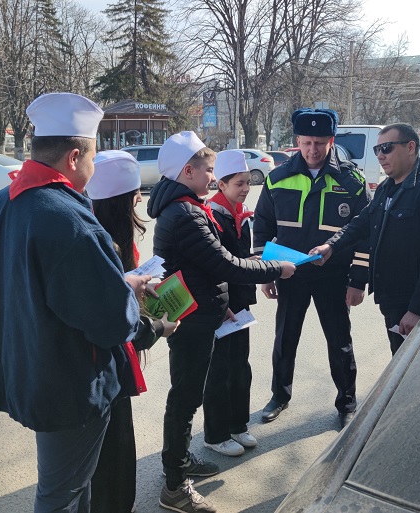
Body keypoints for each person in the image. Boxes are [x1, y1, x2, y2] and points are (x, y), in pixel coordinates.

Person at [0, 92, 149, 513]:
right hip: (68, 384)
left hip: (25, 367)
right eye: (92, 158)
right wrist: (128, 293)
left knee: (71, 486)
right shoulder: (70, 220)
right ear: (74, 156)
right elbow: (113, 322)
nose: (93, 168)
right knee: (60, 494)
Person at [146, 132, 296, 513]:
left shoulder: (183, 207)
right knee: (185, 399)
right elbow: (226, 264)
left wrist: (222, 302)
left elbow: (203, 270)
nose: (213, 178)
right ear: (187, 170)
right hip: (192, 321)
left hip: (199, 311)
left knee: (187, 396)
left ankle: (178, 464)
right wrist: (277, 268)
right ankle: (175, 487)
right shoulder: (185, 214)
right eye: (209, 170)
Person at [253, 108, 370, 429]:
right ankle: (280, 395)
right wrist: (267, 273)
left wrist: (358, 281)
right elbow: (262, 226)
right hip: (291, 273)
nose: (312, 150)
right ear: (297, 141)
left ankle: (346, 401)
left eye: (320, 142)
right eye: (306, 142)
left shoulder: (352, 182)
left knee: (339, 340)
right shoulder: (277, 178)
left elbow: (366, 233)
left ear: (331, 141)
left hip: (334, 277)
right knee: (284, 339)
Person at [86, 150, 179, 513]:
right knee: (113, 455)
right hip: (102, 367)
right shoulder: (103, 243)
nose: (140, 199)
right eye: (134, 195)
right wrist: (157, 327)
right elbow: (113, 318)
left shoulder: (93, 228)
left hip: (97, 365)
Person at [310, 123, 420, 355]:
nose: (380, 156)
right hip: (391, 298)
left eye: (386, 148)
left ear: (410, 147)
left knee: (414, 367)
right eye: (376, 150)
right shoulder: (388, 187)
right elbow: (360, 223)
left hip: (412, 300)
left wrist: (417, 309)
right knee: (399, 362)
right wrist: (331, 246)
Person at [202, 150, 259, 457]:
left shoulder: (241, 213)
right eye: (239, 183)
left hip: (241, 303)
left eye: (248, 182)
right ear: (221, 185)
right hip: (222, 305)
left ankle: (238, 425)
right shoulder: (212, 216)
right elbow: (216, 265)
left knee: (240, 366)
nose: (245, 188)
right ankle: (216, 433)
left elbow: (241, 259)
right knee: (219, 370)